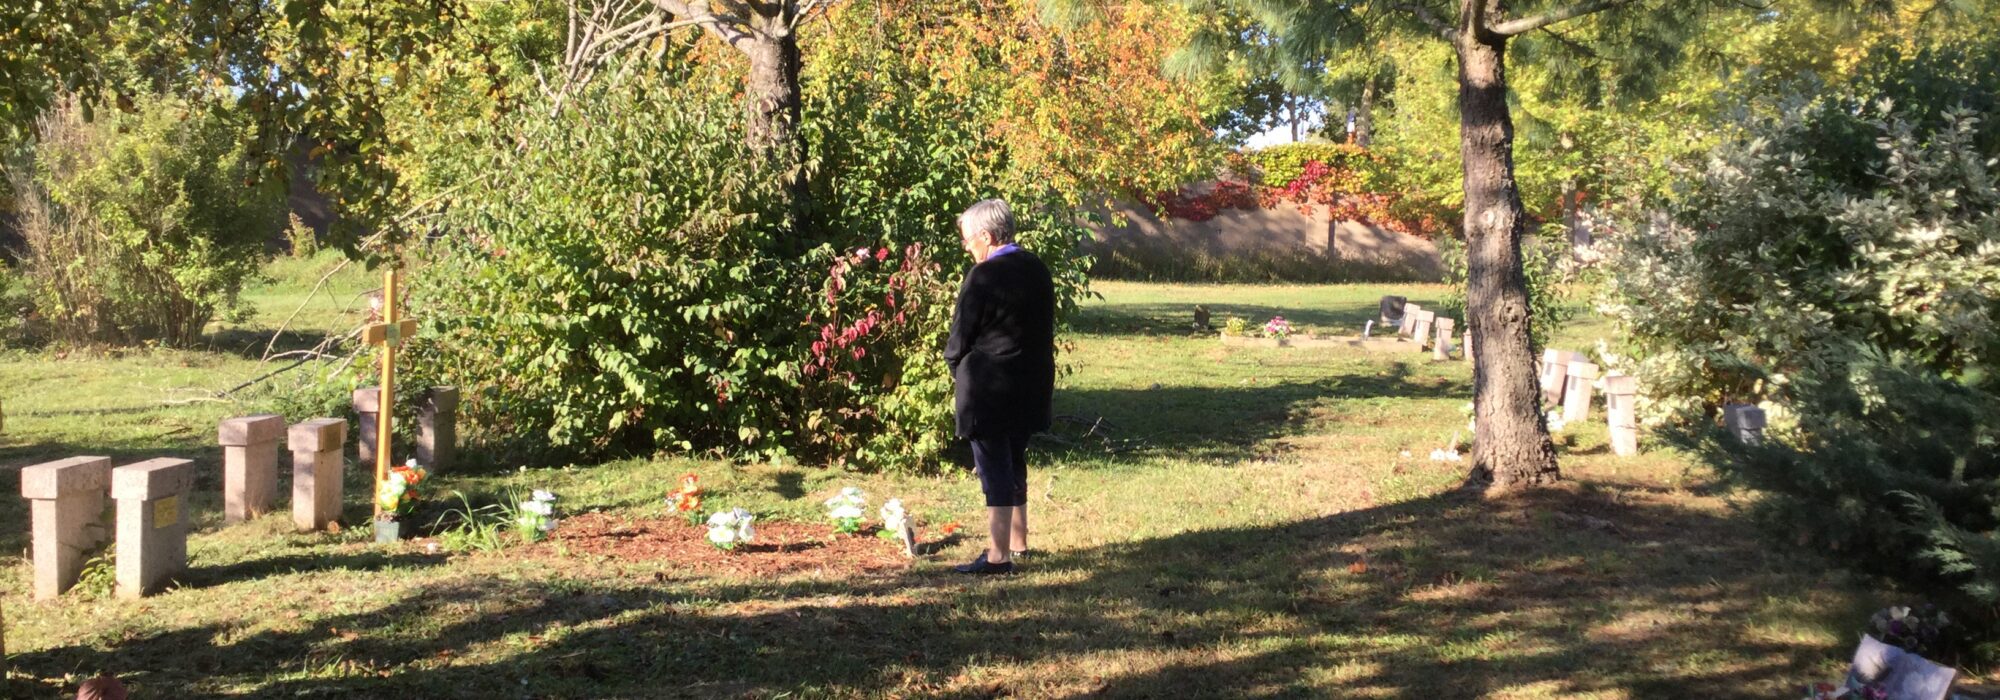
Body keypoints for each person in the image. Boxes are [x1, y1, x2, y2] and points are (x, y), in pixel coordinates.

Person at [943, 199, 1056, 575]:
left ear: (987, 237)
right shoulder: (1037, 268)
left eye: (968, 240)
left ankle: (997, 557)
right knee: (1014, 458)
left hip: (990, 386)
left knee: (994, 468)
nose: (967, 247)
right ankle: (1019, 543)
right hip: (1031, 382)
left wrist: (958, 369)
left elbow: (960, 335)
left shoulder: (984, 275)